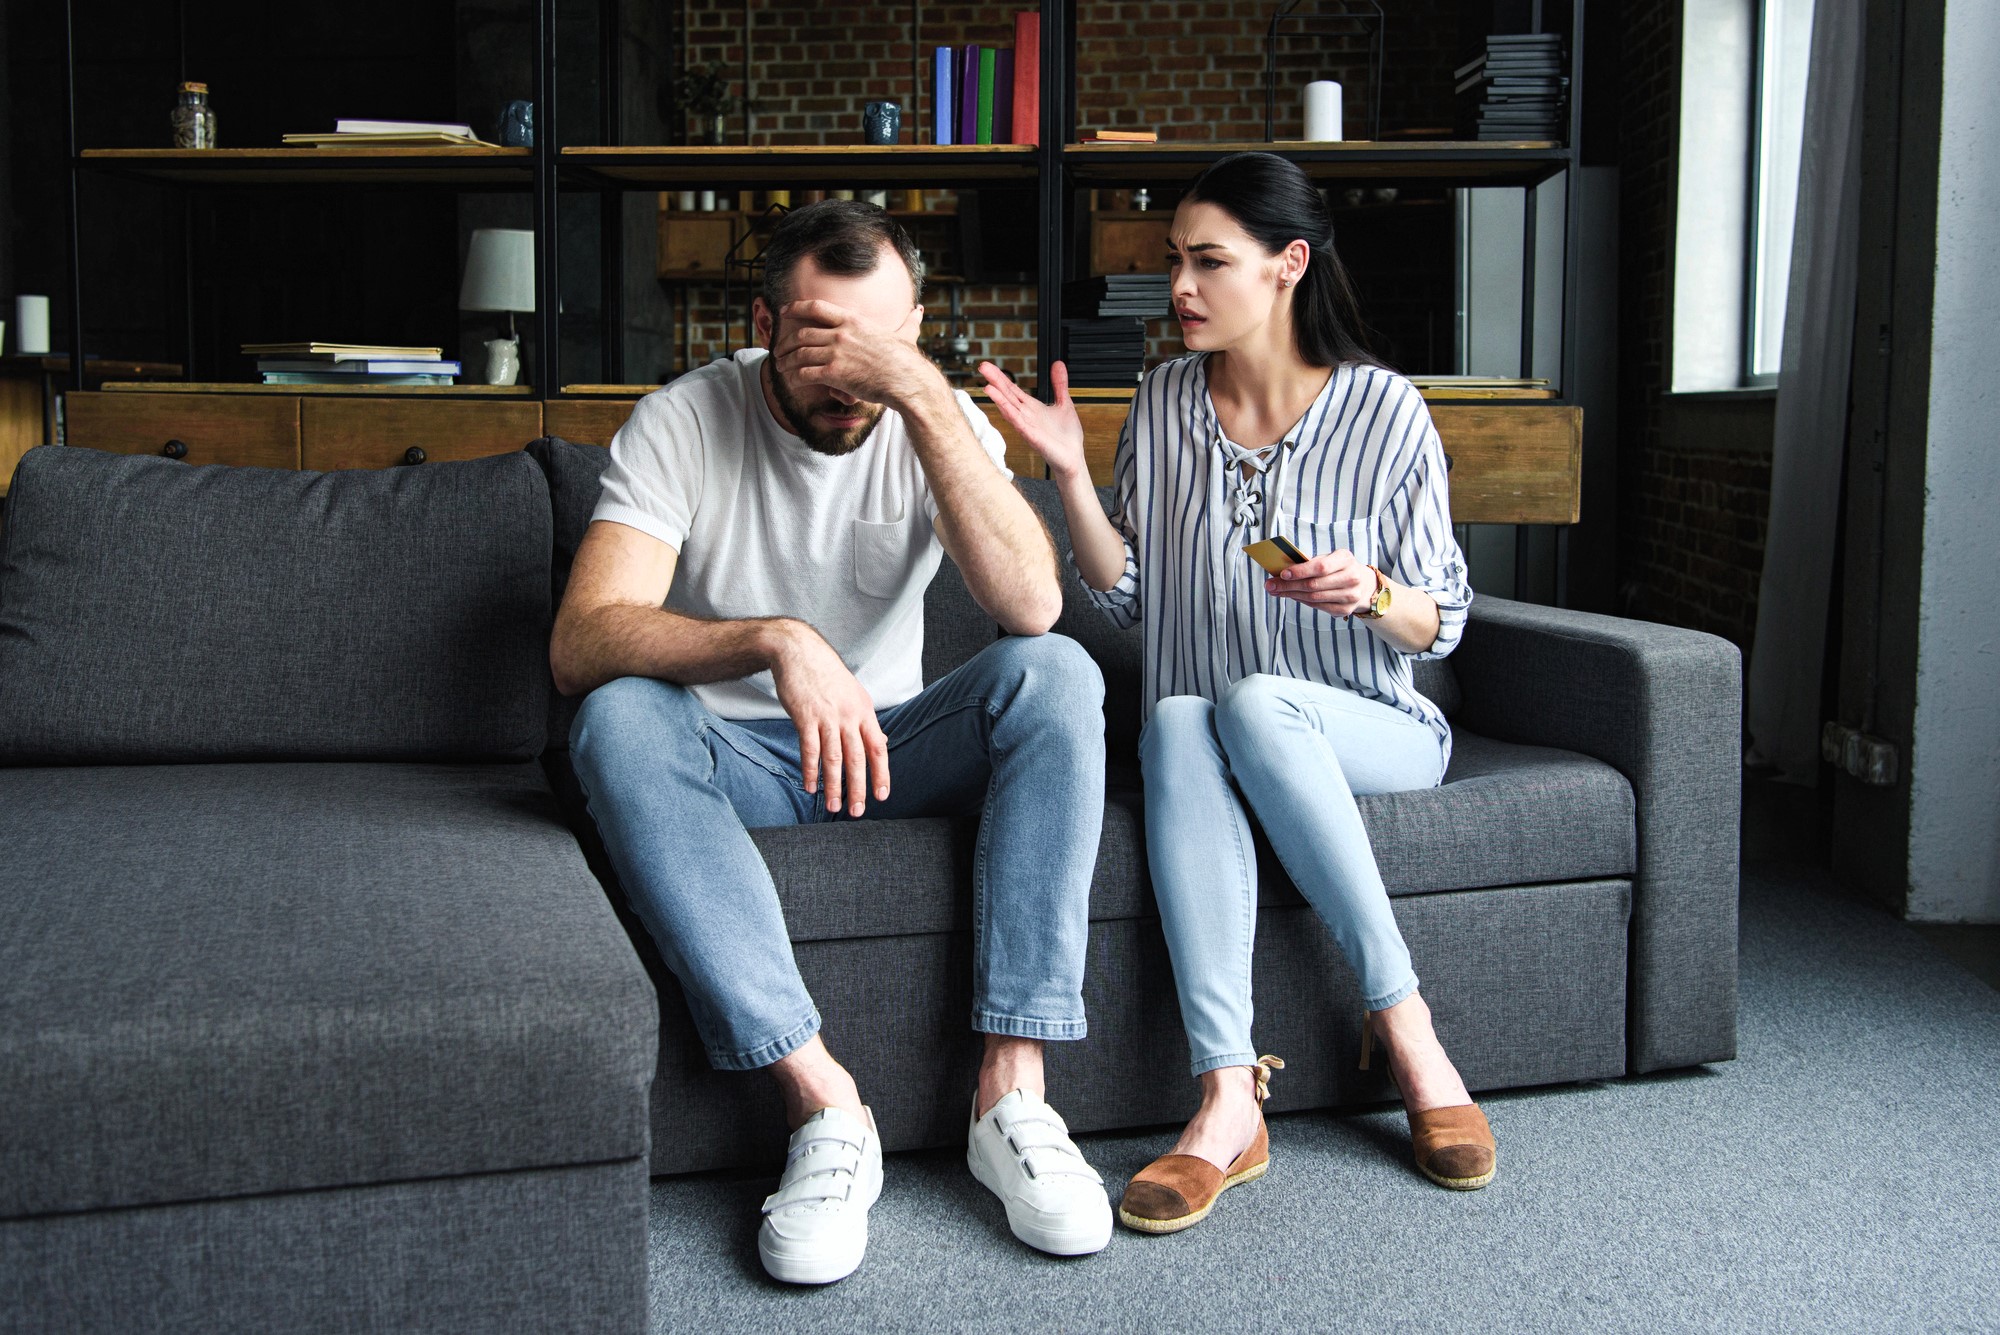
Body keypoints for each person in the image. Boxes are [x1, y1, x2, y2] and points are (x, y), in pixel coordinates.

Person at [554, 200, 1114, 1284]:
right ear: (764, 323)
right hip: (739, 764)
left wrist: (915, 392)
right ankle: (825, 1107)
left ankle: (1010, 1097)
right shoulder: (684, 417)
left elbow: (1032, 605)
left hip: (894, 750)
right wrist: (773, 640)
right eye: (820, 342)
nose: (847, 377)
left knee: (1055, 674)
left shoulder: (925, 411)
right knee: (616, 715)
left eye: (881, 342)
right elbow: (582, 640)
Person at [980, 151, 1494, 1236]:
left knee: (1258, 701)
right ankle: (1224, 1098)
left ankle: (1405, 1028)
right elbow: (1124, 605)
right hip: (1205, 737)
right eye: (1174, 261)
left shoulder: (1383, 411)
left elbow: (1439, 619)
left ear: (1286, 266)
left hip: (1371, 727)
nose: (1178, 286)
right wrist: (1070, 476)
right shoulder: (1163, 403)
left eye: (1208, 261)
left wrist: (1371, 593)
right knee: (1177, 714)